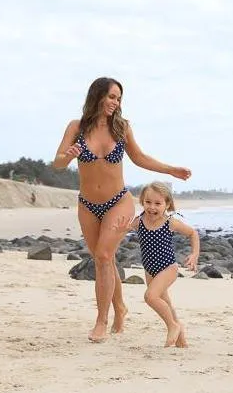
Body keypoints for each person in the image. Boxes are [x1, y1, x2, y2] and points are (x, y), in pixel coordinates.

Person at [53, 77, 192, 343]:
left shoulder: (121, 128)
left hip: (118, 201)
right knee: (102, 259)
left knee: (105, 256)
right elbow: (58, 163)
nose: (115, 103)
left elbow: (139, 158)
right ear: (98, 96)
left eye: (118, 98)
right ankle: (119, 307)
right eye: (112, 97)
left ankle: (101, 321)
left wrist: (170, 169)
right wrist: (68, 155)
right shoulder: (77, 127)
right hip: (88, 204)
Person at [114, 182, 199, 347]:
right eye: (148, 202)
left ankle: (173, 326)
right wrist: (120, 230)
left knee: (150, 297)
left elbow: (192, 233)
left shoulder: (170, 222)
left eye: (158, 203)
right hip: (149, 270)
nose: (152, 207)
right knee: (166, 304)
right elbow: (122, 232)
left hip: (168, 268)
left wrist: (194, 254)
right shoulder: (139, 221)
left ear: (167, 204)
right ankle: (181, 342)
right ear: (142, 202)